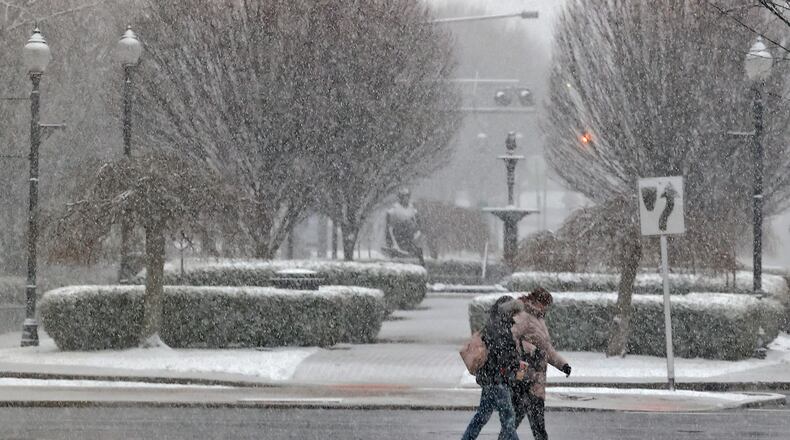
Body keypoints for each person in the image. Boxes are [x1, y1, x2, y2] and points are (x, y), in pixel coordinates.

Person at [504, 288, 571, 440]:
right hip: (523, 376)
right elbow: (510, 338)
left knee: (536, 424)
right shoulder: (524, 316)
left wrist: (562, 365)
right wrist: (529, 349)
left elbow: (547, 348)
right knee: (519, 421)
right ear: (537, 302)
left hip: (537, 380)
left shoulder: (539, 319)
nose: (546, 308)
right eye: (545, 304)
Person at [461, 296, 525, 440]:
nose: (515, 315)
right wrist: (517, 368)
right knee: (508, 418)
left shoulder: (492, 324)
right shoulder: (501, 329)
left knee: (482, 416)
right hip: (498, 380)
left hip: (490, 379)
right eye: (514, 312)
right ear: (507, 311)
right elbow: (503, 357)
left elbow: (497, 354)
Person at [384, 187, 424, 265]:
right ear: (400, 197)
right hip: (398, 235)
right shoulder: (394, 210)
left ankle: (419, 263)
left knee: (417, 251)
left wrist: (417, 233)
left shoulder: (412, 210)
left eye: (407, 197)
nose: (406, 199)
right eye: (403, 197)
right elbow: (389, 227)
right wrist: (391, 242)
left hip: (410, 236)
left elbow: (418, 224)